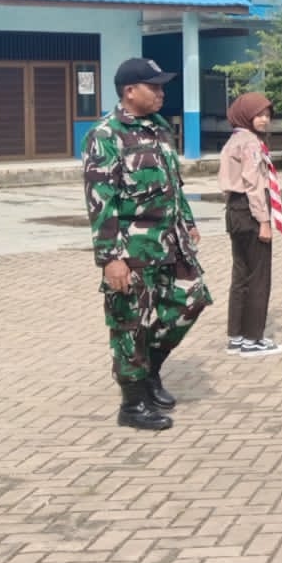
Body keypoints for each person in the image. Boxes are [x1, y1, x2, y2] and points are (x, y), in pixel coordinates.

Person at [83, 58, 210, 431]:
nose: (161, 93)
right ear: (129, 91)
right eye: (153, 87)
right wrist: (110, 258)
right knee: (128, 324)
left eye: (161, 87)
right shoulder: (105, 135)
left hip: (169, 243)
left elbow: (174, 185)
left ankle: (150, 369)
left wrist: (187, 221)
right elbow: (100, 201)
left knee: (192, 299)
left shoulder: (157, 129)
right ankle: (133, 403)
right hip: (130, 251)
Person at [217, 91, 282, 358]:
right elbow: (254, 184)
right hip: (249, 211)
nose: (264, 119)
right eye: (259, 114)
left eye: (268, 114)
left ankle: (236, 336)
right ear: (246, 115)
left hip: (234, 210)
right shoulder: (250, 143)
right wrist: (264, 221)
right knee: (259, 276)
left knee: (241, 275)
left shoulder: (234, 140)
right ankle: (253, 339)